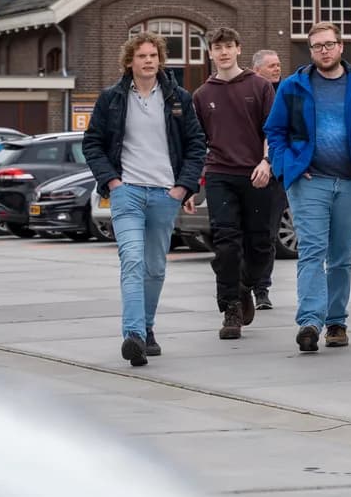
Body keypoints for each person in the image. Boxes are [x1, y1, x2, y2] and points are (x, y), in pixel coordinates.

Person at [82, 30, 207, 368]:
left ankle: (147, 328)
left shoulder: (178, 98)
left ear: (159, 60)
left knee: (154, 268)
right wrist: (113, 181)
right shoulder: (112, 98)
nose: (148, 61)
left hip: (166, 195)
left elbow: (196, 144)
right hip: (128, 194)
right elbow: (92, 142)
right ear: (129, 61)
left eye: (153, 56)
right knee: (133, 262)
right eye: (142, 56)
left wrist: (184, 187)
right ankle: (134, 334)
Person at [264, 22, 351, 354]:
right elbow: (275, 131)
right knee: (312, 252)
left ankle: (336, 321)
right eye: (317, 46)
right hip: (309, 182)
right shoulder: (292, 87)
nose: (324, 50)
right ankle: (310, 322)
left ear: (341, 47)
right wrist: (286, 166)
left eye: (329, 44)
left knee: (341, 257)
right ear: (311, 51)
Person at [191, 27, 276, 341]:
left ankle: (245, 286)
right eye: (217, 48)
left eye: (228, 46)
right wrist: (192, 184)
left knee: (260, 243)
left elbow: (272, 131)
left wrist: (266, 162)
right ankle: (230, 307)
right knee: (226, 243)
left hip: (256, 174)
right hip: (219, 175)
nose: (223, 52)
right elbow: (197, 143)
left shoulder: (261, 87)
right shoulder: (202, 95)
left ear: (239, 49)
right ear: (210, 53)